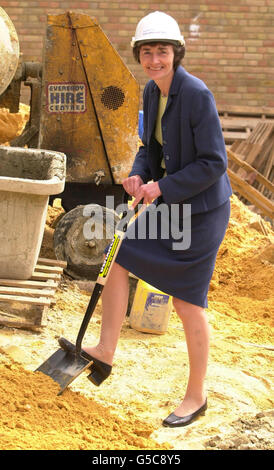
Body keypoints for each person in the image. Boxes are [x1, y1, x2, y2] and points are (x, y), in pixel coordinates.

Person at [59, 11, 232, 427]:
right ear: (140, 55)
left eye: (163, 51)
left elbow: (214, 163)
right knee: (120, 255)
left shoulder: (197, 95)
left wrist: (162, 188)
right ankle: (105, 349)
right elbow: (149, 145)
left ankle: (196, 396)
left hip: (202, 213)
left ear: (176, 53)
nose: (155, 59)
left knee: (187, 302)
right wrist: (141, 172)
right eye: (148, 52)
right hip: (173, 205)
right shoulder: (153, 92)